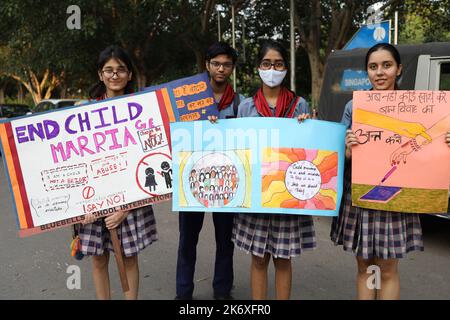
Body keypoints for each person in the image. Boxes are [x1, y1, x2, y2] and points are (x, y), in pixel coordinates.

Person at [330, 43, 450, 300]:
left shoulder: (420, 107)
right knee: (365, 266)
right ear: (367, 72)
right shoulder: (354, 107)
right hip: (360, 195)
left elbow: (431, 142)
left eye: (387, 65)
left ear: (399, 69)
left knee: (387, 269)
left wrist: (445, 141)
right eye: (373, 67)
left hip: (397, 195)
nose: (380, 72)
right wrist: (347, 150)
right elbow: (336, 155)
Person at [231, 40, 315, 300]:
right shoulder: (246, 106)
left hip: (287, 194)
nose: (272, 69)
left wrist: (308, 126)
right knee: (258, 259)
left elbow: (310, 150)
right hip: (256, 194)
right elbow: (236, 150)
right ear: (258, 67)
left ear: (285, 68)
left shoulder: (299, 105)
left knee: (283, 259)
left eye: (278, 64)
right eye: (267, 63)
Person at [79, 45, 157, 300]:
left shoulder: (145, 110)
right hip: (92, 202)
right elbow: (73, 160)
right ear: (100, 75)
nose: (115, 75)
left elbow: (151, 161)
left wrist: (126, 207)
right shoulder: (83, 113)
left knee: (128, 257)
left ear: (130, 74)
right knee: (98, 259)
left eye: (121, 69)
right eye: (108, 70)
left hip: (131, 200)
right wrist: (83, 203)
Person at [175, 42, 245, 300]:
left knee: (225, 240)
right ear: (207, 65)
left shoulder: (240, 102)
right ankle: (183, 293)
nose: (221, 69)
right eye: (216, 63)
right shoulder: (189, 100)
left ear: (232, 68)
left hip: (227, 181)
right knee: (187, 240)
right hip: (192, 179)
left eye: (226, 64)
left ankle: (222, 290)